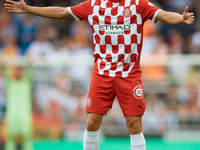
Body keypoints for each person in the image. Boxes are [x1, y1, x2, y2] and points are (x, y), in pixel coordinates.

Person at [4, 0, 194, 150]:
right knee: (92, 123)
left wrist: (180, 18)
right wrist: (28, 9)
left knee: (134, 125)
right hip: (102, 73)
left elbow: (164, 16)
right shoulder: (93, 5)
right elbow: (61, 12)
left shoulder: (138, 5)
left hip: (129, 74)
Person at [2, 62, 33, 150]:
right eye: (16, 71)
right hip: (12, 116)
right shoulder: (10, 84)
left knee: (27, 139)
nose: (18, 72)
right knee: (10, 139)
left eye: (20, 70)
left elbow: (30, 73)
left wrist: (30, 63)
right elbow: (5, 74)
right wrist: (3, 65)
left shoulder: (26, 83)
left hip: (24, 116)